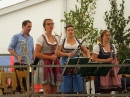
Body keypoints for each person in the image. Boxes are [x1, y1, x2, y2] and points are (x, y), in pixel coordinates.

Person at [57, 25, 90, 95]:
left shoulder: (79, 41)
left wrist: (88, 59)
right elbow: (58, 53)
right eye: (68, 30)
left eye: (72, 30)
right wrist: (67, 54)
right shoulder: (62, 41)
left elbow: (86, 51)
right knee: (66, 84)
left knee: (77, 83)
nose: (70, 31)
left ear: (74, 31)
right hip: (65, 63)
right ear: (66, 32)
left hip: (76, 64)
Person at [34, 19, 62, 96]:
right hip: (45, 64)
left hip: (55, 64)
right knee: (47, 90)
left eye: (52, 24)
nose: (50, 25)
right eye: (48, 24)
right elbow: (36, 53)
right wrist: (50, 57)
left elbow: (59, 52)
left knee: (54, 91)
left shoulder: (56, 38)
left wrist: (57, 53)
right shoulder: (41, 38)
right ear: (44, 26)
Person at [92, 30, 122, 95]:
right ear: (102, 37)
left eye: (109, 35)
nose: (108, 37)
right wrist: (105, 61)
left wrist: (118, 70)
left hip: (112, 71)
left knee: (110, 91)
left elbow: (115, 59)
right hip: (103, 71)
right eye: (106, 35)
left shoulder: (112, 46)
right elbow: (94, 59)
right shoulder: (98, 47)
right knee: (104, 92)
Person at [8, 20, 34, 93]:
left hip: (29, 64)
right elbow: (10, 48)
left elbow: (32, 50)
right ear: (23, 26)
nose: (30, 28)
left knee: (28, 83)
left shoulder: (31, 38)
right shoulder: (16, 36)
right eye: (28, 26)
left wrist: (33, 59)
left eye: (31, 27)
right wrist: (17, 56)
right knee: (20, 83)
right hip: (19, 63)